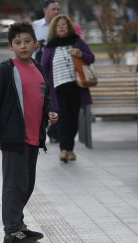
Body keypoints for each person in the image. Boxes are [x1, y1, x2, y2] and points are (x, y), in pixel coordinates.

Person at [0, 21, 58, 243]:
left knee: (27, 184)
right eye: (17, 42)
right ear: (11, 47)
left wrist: (50, 112)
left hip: (34, 137)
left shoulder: (37, 68)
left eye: (27, 41)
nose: (23, 46)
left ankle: (18, 224)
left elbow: (43, 98)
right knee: (14, 185)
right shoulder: (6, 70)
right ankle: (11, 230)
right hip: (14, 137)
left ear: (35, 44)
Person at [41, 14, 94, 162]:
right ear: (54, 29)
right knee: (63, 118)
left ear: (68, 26)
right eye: (58, 25)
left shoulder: (77, 42)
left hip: (76, 86)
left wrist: (81, 53)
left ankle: (70, 149)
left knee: (74, 119)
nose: (61, 27)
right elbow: (43, 69)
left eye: (64, 24)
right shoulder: (50, 46)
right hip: (58, 89)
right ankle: (64, 150)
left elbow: (91, 58)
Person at [32, 0, 60, 143]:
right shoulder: (35, 26)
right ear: (45, 10)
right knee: (39, 98)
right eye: (53, 9)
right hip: (37, 67)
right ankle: (40, 129)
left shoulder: (61, 26)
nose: (56, 12)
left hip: (56, 70)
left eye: (58, 9)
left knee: (55, 99)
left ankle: (54, 131)